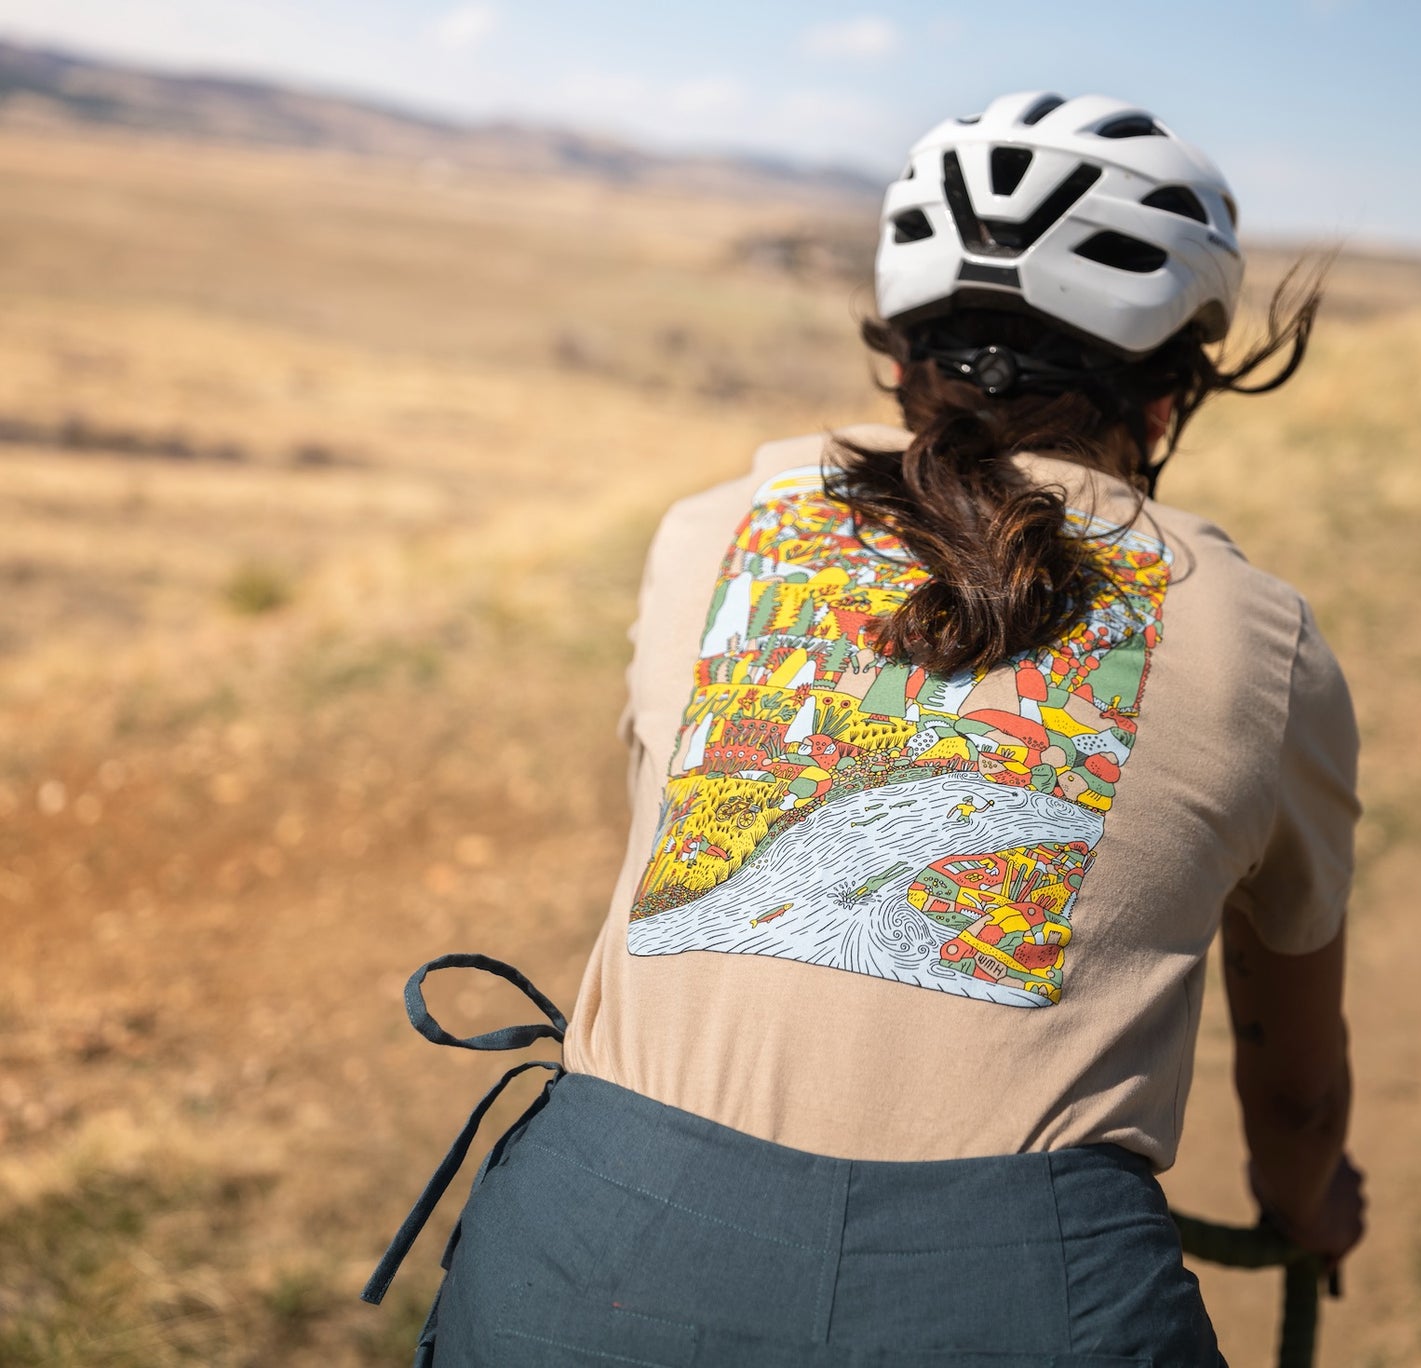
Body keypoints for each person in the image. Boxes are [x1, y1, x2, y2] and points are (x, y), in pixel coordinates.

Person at [364, 90, 1365, 1367]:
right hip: (1031, 1310)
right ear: (1170, 391)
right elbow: (1292, 1085)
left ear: (897, 356)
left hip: (588, 1254)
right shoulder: (1259, 638)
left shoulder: (708, 532)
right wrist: (1303, 1210)